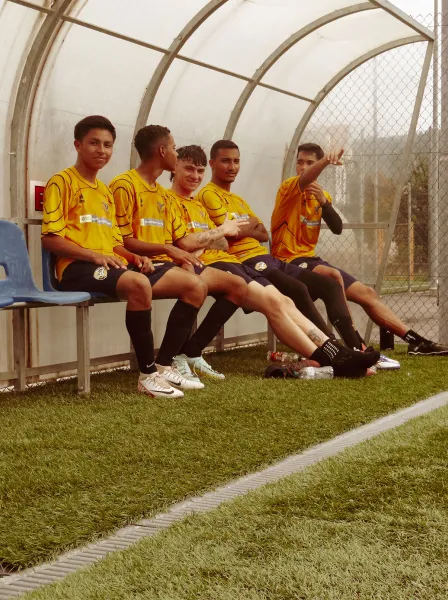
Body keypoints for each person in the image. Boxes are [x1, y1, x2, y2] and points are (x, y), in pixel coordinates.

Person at [168, 144, 380, 378]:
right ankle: (334, 357)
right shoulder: (183, 198)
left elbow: (245, 236)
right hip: (227, 263)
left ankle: (336, 353)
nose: (195, 176)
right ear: (174, 166)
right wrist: (222, 231)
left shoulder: (199, 203)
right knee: (281, 299)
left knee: (284, 301)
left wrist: (221, 233)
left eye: (199, 171)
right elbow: (193, 242)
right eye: (189, 169)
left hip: (233, 260)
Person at [41, 115, 186, 398]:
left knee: (179, 283)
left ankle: (163, 367)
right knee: (138, 285)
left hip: (105, 264)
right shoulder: (62, 182)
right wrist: (93, 255)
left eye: (108, 145)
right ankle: (147, 374)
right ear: (77, 145)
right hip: (74, 269)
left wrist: (133, 257)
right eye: (94, 143)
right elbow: (50, 238)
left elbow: (115, 243)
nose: (101, 150)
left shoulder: (105, 192)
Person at [271, 142, 448, 357]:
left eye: (310, 162)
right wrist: (326, 160)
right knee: (332, 275)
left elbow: (336, 228)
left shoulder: (322, 195)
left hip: (311, 259)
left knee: (367, 293)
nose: (303, 167)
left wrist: (324, 203)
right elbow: (305, 178)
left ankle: (416, 342)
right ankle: (356, 345)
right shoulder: (289, 188)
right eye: (300, 162)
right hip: (286, 261)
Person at [110, 125, 249, 382]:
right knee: (195, 286)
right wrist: (175, 250)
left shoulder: (164, 196)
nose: (195, 175)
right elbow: (121, 240)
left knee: (238, 286)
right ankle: (164, 364)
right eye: (174, 149)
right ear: (163, 152)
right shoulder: (124, 185)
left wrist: (188, 250)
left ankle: (180, 357)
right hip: (138, 264)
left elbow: (192, 242)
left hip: (168, 263)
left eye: (199, 170)